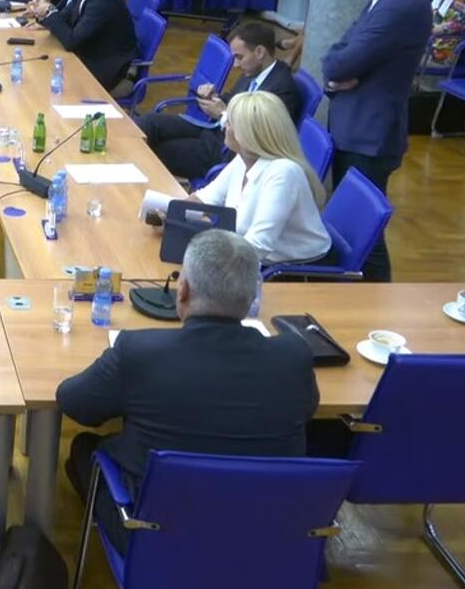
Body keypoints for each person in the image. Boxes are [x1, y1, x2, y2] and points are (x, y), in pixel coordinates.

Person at [57, 229, 318, 557]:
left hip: (156, 541)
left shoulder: (138, 352)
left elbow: (74, 402)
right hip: (265, 539)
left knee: (83, 447)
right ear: (251, 296)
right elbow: (307, 411)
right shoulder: (294, 355)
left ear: (182, 290)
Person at [321, 0, 432, 282]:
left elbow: (340, 62)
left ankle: (375, 304)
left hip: (369, 136)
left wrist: (337, 72)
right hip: (357, 128)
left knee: (363, 238)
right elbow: (340, 51)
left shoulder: (403, 2)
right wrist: (336, 76)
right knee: (351, 229)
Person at [136, 22, 302, 181]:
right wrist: (213, 97)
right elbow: (232, 98)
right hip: (212, 130)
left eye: (239, 57)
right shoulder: (254, 71)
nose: (235, 65)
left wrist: (223, 113)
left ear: (259, 52)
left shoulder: (281, 89)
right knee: (149, 122)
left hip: (227, 152)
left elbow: (258, 137)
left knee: (157, 151)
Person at [192, 92, 333, 265]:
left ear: (248, 134)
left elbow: (258, 246)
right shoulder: (243, 158)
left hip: (293, 271)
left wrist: (203, 250)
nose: (224, 125)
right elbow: (203, 199)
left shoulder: (284, 173)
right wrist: (171, 213)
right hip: (247, 256)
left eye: (229, 122)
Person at [26, 0, 138, 93]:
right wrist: (43, 11)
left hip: (108, 73)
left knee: (42, 82)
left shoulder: (102, 0)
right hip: (90, 57)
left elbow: (72, 42)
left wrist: (49, 11)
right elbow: (64, 18)